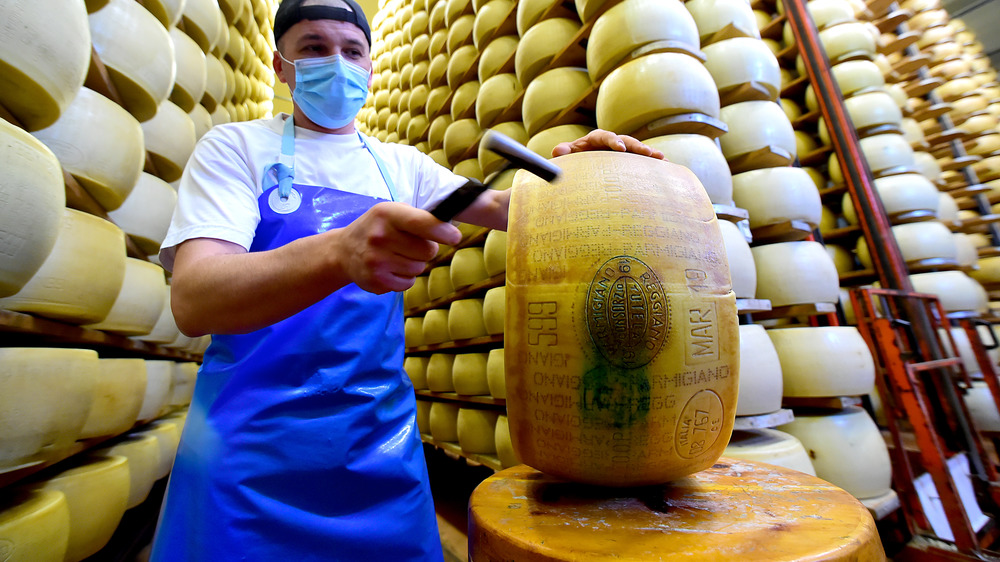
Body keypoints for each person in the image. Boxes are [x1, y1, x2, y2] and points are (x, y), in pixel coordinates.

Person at [149, 0, 664, 559]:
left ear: (369, 67)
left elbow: (505, 205)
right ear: (280, 66)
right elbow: (195, 298)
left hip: (375, 441)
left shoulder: (402, 167)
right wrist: (338, 253)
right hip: (250, 447)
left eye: (351, 51)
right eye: (314, 49)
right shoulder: (236, 149)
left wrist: (586, 175)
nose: (336, 63)